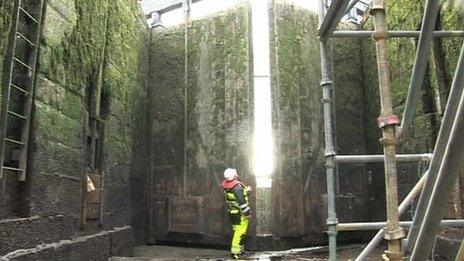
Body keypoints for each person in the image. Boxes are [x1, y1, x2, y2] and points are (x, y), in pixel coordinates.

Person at [221, 168, 252, 259]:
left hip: (233, 212)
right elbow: (241, 201)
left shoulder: (227, 186)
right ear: (234, 176)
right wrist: (247, 212)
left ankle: (240, 249)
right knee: (240, 232)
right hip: (240, 213)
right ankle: (235, 252)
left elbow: (236, 195)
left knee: (238, 231)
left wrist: (246, 191)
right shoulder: (237, 187)